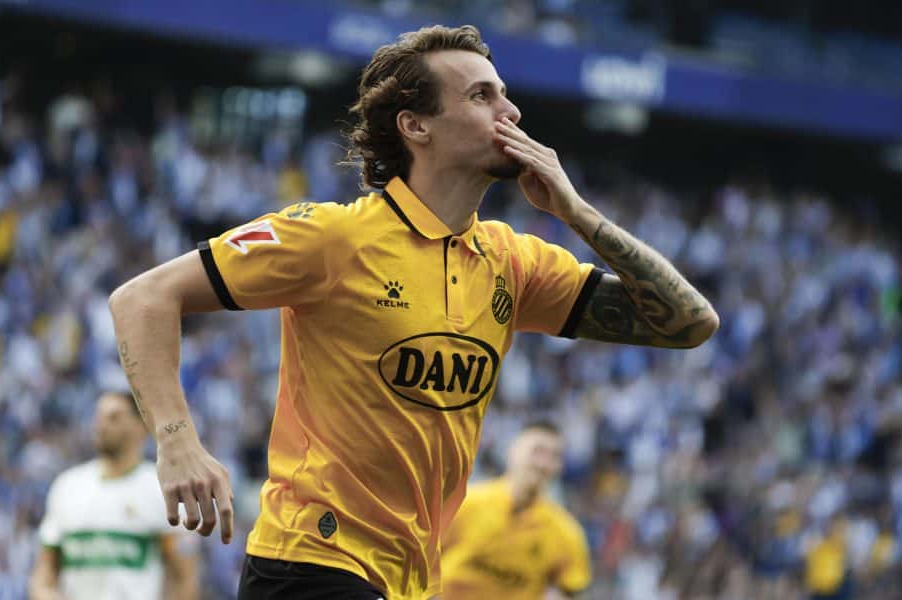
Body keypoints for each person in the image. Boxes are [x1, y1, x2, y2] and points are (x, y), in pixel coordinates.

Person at [108, 24, 718, 600]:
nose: (512, 113)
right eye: (482, 96)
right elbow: (142, 298)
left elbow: (691, 324)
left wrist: (579, 214)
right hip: (312, 561)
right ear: (416, 126)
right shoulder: (333, 237)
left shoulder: (514, 263)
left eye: (506, 95)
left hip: (407, 578)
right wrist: (176, 441)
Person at [28, 391, 199, 600]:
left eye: (114, 417)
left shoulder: (161, 491)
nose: (101, 424)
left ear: (141, 426)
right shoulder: (67, 487)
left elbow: (184, 579)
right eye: (98, 417)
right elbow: (43, 575)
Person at [440, 421, 591, 599]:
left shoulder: (565, 532)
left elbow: (569, 588)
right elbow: (420, 563)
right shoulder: (465, 505)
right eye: (537, 451)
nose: (543, 464)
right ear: (513, 451)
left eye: (554, 457)